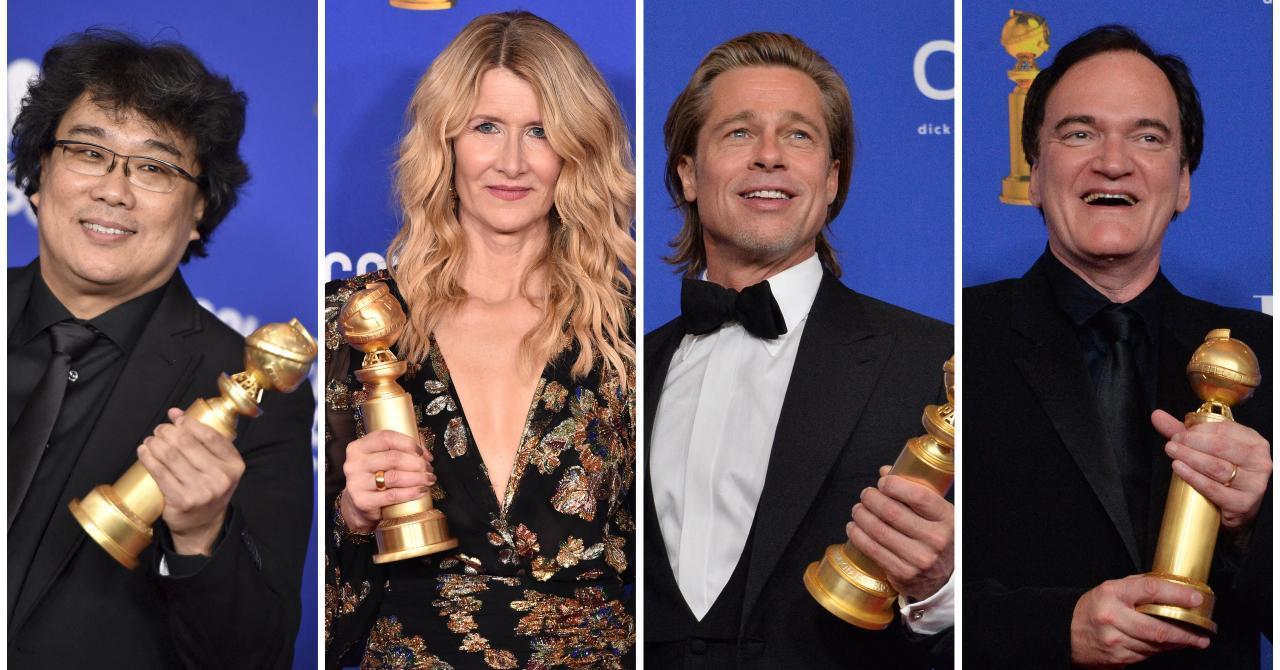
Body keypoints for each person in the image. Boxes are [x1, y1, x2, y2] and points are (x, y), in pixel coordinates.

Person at [324, 11, 636, 669]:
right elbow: (293, 604)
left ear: (577, 149)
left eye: (540, 131)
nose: (512, 162)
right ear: (446, 142)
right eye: (486, 127)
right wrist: (353, 515)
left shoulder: (625, 330)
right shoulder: (356, 319)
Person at [964, 25, 1272, 669]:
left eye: (1148, 137)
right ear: (1034, 175)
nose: (1112, 161)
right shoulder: (955, 343)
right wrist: (1056, 630)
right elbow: (907, 601)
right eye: (1079, 134)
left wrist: (1254, 522)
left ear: (1183, 182)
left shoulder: (1264, 356)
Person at [645, 32, 954, 668]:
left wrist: (939, 589)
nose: (769, 156)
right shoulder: (626, 369)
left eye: (799, 135)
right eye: (738, 133)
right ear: (688, 173)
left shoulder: (936, 364)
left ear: (831, 178)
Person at [7, 30, 314, 668]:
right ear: (39, 174)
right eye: (88, 152)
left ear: (200, 208)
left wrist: (202, 535)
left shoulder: (257, 396)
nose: (113, 191)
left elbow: (256, 656)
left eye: (154, 168)